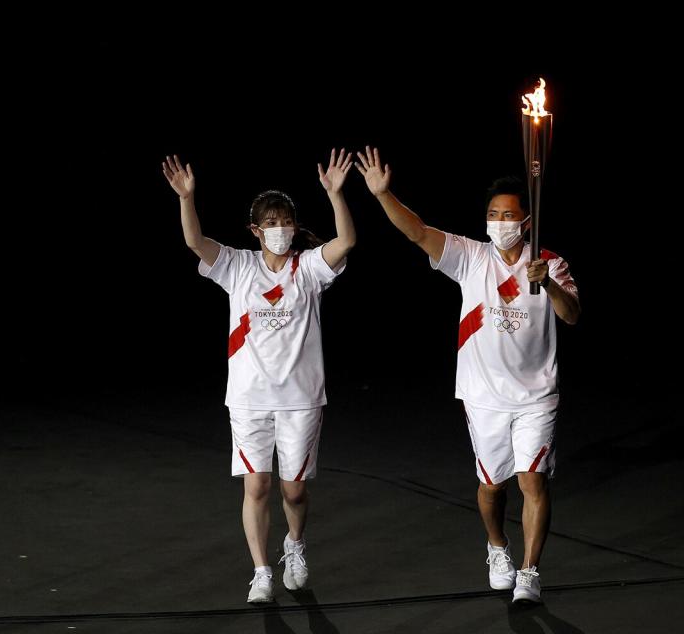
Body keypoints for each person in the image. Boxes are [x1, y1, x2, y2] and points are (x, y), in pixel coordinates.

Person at [355, 145, 580, 603]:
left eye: (509, 215)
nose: (500, 222)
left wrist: (548, 282)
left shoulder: (550, 263)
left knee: (532, 481)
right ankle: (497, 546)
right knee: (492, 485)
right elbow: (417, 232)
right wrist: (382, 194)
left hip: (537, 394)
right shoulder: (471, 257)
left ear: (527, 221)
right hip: (483, 394)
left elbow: (572, 315)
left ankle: (529, 572)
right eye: (493, 214)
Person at [162, 149, 356, 603]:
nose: (279, 229)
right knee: (258, 484)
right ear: (255, 230)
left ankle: (294, 544)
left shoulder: (307, 269)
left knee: (293, 490)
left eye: (285, 220)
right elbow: (195, 242)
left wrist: (336, 195)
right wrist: (186, 198)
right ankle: (261, 570)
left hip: (301, 398)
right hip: (249, 397)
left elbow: (345, 241)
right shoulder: (237, 267)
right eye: (270, 222)